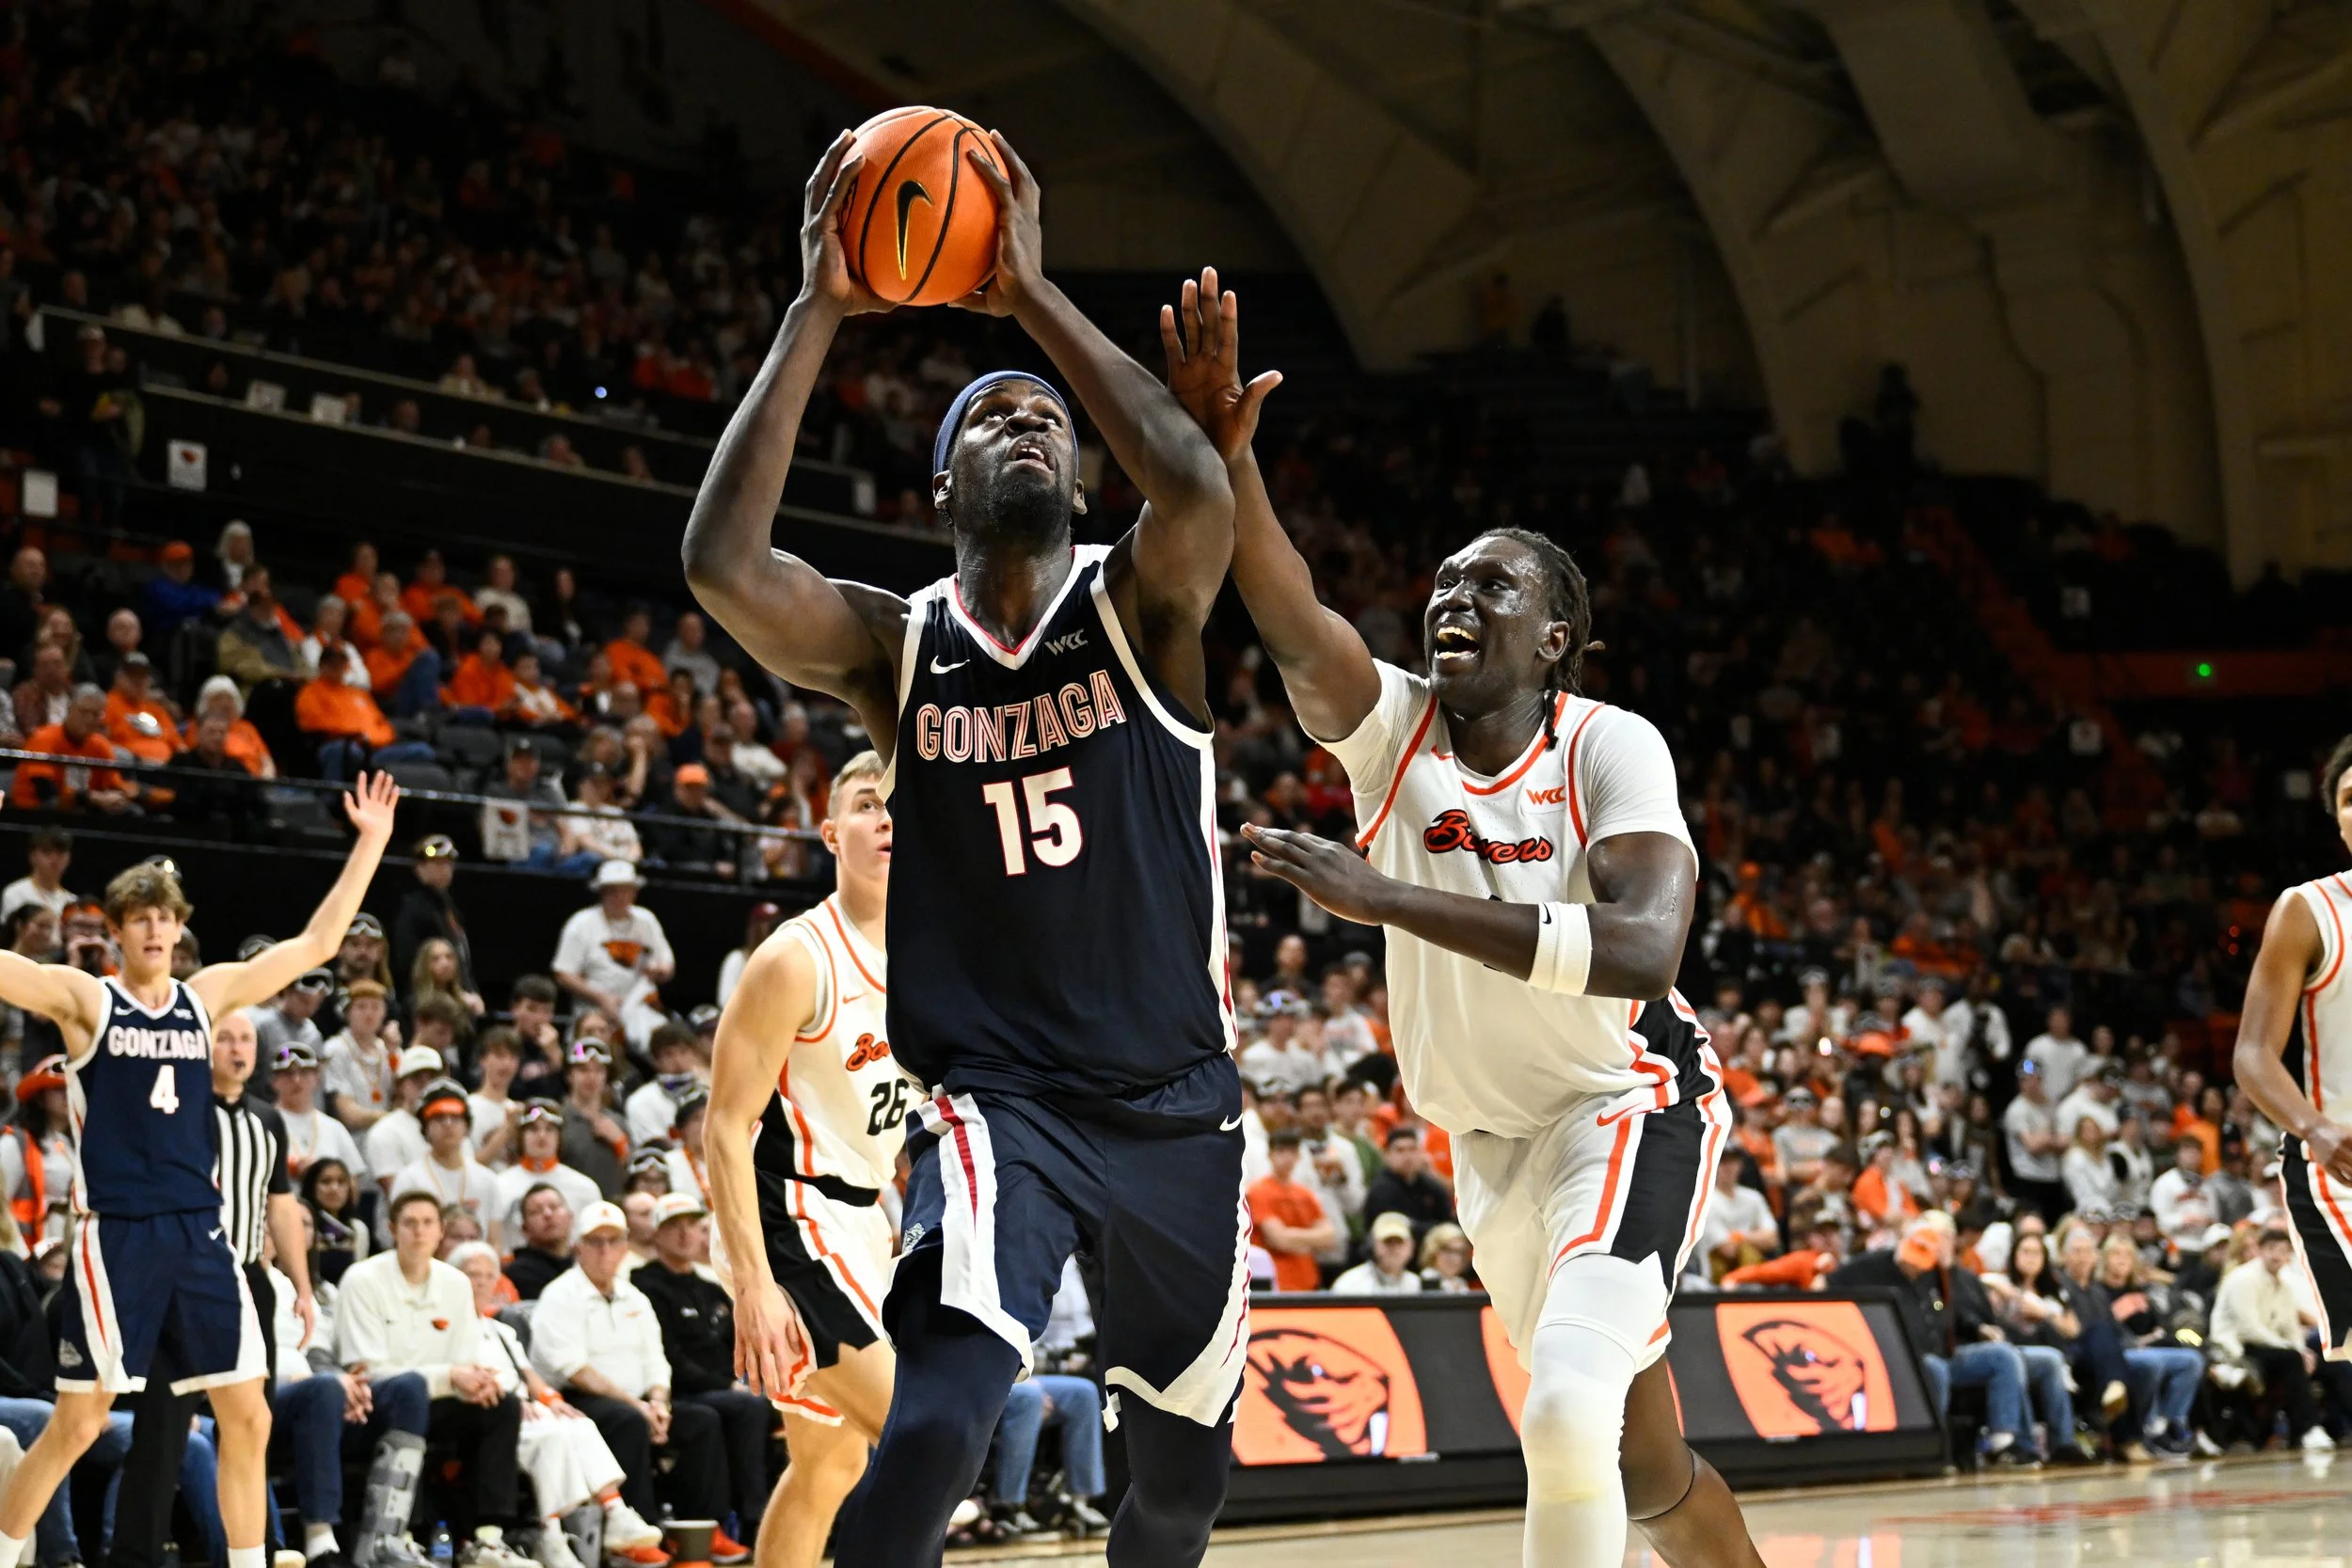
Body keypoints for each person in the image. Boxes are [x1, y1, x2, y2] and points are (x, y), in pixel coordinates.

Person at [690, 132, 1247, 1567]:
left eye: (1048, 418)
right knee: (934, 1417)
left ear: (1079, 475)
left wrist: (1033, 299)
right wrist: (817, 306)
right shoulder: (900, 647)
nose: (1027, 422)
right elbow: (723, 569)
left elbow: (1194, 492)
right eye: (991, 416)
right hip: (1003, 1104)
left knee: (1178, 1489)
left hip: (1179, 1102)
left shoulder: (1146, 608)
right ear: (941, 489)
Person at [1189, 276, 1759, 1567]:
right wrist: (1230, 467)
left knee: (1565, 1406)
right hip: (1488, 1143)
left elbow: (1642, 948)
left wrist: (1385, 895)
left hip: (1625, 1100)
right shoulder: (1393, 730)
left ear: (1556, 635)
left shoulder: (1611, 747)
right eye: (1446, 581)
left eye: (1493, 585)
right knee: (1641, 1459)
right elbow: (1287, 605)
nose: (1456, 594)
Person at [0, 775, 402, 1568]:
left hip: (202, 1233)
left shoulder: (205, 995)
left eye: (167, 917)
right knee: (80, 1422)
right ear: (116, 928)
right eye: (141, 916)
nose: (156, 929)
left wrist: (372, 842)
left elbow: (314, 947)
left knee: (246, 1413)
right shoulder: (88, 1000)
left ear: (181, 929)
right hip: (119, 1235)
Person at [704, 752, 900, 1568]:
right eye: (865, 804)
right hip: (788, 1218)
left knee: (829, 1461)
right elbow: (721, 1126)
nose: (887, 818)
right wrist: (754, 1285)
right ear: (830, 832)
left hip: (865, 1217)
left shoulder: (933, 951)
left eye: (897, 804)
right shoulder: (797, 958)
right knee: (921, 1434)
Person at [107, 1005, 316, 1568]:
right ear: (203, 1047)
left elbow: (280, 1204)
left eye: (245, 1038)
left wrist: (302, 1283)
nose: (236, 1048)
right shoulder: (177, 1108)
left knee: (251, 1428)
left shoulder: (269, 1121)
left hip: (249, 1278)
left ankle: (257, 1551)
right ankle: (135, 1555)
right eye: (224, 1038)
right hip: (183, 1279)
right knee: (163, 1427)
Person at [529, 1202, 748, 1559]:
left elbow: (655, 1360)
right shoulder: (560, 1295)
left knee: (700, 1421)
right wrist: (640, 1407)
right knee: (627, 1422)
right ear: (577, 1247)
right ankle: (636, 1537)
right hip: (574, 1401)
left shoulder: (635, 1296)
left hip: (640, 1400)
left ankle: (702, 1529)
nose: (604, 1250)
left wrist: (659, 1402)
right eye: (595, 1241)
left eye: (613, 1241)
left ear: (625, 1247)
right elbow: (575, 1370)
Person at [2231, 734, 2352, 1366]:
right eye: (2350, 799)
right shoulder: (2307, 910)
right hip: (2339, 1164)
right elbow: (2251, 1054)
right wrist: (2313, 1127)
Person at [333, 1192, 534, 1562]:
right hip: (374, 1407)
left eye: (428, 1223)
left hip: (438, 1402)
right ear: (392, 1230)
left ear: (441, 1231)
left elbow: (465, 1359)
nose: (419, 1232)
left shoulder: (456, 1283)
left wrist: (479, 1381)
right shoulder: (361, 1279)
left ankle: (487, 1538)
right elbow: (366, 1371)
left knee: (502, 1405)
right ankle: (403, 1536)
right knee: (408, 1392)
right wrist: (451, 1376)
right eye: (409, 1223)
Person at [445, 1243, 665, 1568]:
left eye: (488, 1275)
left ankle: (615, 1513)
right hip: (489, 1415)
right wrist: (515, 1403)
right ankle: (550, 1535)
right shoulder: (447, 1328)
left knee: (579, 1423)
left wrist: (552, 1400)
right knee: (551, 1438)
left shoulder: (503, 1330)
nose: (480, 1282)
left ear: (497, 1283)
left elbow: (531, 1377)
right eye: (471, 1275)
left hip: (527, 1410)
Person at [630, 1194, 772, 1545]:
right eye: (673, 1227)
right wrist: (729, 1384)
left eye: (691, 1226)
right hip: (681, 1389)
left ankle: (765, 1514)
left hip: (726, 1389)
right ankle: (753, 1520)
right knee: (745, 1406)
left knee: (772, 1401)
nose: (684, 1234)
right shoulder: (645, 1284)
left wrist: (748, 1379)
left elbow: (738, 1344)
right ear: (657, 1235)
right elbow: (669, 1356)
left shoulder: (711, 1287)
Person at [2210, 1227, 2335, 1449]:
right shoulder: (2243, 1278)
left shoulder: (2284, 1286)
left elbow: (2291, 1328)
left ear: (2289, 1256)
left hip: (2268, 1345)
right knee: (2290, 1359)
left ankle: (2331, 1426)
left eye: (2283, 1251)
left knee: (2327, 1359)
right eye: (2271, 1249)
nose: (2277, 1255)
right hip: (2234, 1346)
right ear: (2260, 1250)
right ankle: (2308, 1428)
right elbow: (2250, 1329)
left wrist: (2301, 1350)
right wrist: (2294, 1350)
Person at [551, 863, 674, 1050]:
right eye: (613, 891)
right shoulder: (581, 923)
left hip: (638, 1006)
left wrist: (661, 971)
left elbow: (667, 965)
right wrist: (601, 998)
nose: (620, 897)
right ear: (602, 892)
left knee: (669, 1043)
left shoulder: (646, 920)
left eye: (625, 890)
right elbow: (563, 973)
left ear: (634, 892)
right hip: (593, 1009)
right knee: (580, 1051)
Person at [389, 1078, 495, 1235]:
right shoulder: (409, 1180)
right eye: (438, 1117)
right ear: (425, 1128)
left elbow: (495, 1240)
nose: (448, 1124)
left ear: (467, 1127)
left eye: (455, 1117)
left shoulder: (487, 1180)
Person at [501, 1180, 582, 1303]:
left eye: (554, 1207)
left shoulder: (585, 1260)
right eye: (536, 1211)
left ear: (570, 1217)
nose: (547, 1214)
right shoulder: (520, 1272)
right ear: (525, 1229)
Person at [1331, 1212, 1423, 1294]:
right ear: (1372, 1245)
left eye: (1399, 1242)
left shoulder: (1417, 1285)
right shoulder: (1350, 1283)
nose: (1394, 1248)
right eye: (1387, 1241)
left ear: (1411, 1246)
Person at [0, 829, 74, 923]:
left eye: (60, 854)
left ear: (69, 858)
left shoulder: (71, 901)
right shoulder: (15, 893)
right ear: (32, 856)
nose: (54, 859)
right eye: (46, 852)